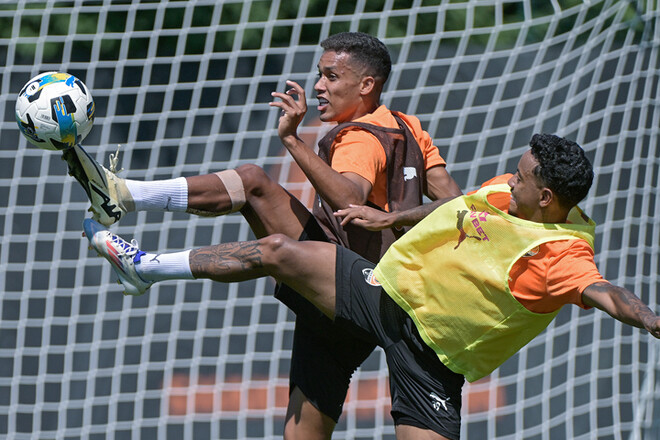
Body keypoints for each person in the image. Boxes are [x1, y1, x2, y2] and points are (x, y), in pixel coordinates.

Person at [82, 133, 660, 440]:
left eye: (523, 174)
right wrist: (390, 220)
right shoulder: (515, 194)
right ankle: (145, 266)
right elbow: (459, 203)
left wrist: (653, 319)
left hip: (434, 358)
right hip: (385, 292)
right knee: (282, 251)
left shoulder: (559, 254)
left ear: (549, 199)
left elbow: (608, 294)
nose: (510, 176)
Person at [63, 32, 462, 438]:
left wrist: (291, 139)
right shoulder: (409, 127)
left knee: (266, 220)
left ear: (366, 85)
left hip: (358, 287)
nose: (318, 86)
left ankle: (140, 251)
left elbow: (348, 198)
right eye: (318, 75)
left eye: (331, 76)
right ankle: (126, 201)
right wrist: (406, 218)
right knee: (300, 434)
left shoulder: (358, 137)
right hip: (339, 297)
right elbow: (454, 202)